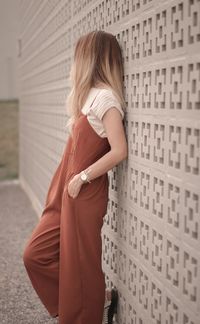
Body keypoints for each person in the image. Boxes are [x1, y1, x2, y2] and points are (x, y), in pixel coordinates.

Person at [22, 30, 128, 324]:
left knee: (81, 266)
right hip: (65, 190)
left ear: (90, 59)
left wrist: (82, 177)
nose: (74, 62)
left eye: (78, 56)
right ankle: (95, 302)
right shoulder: (90, 95)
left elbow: (119, 150)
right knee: (35, 255)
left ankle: (88, 310)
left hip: (84, 191)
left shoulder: (106, 98)